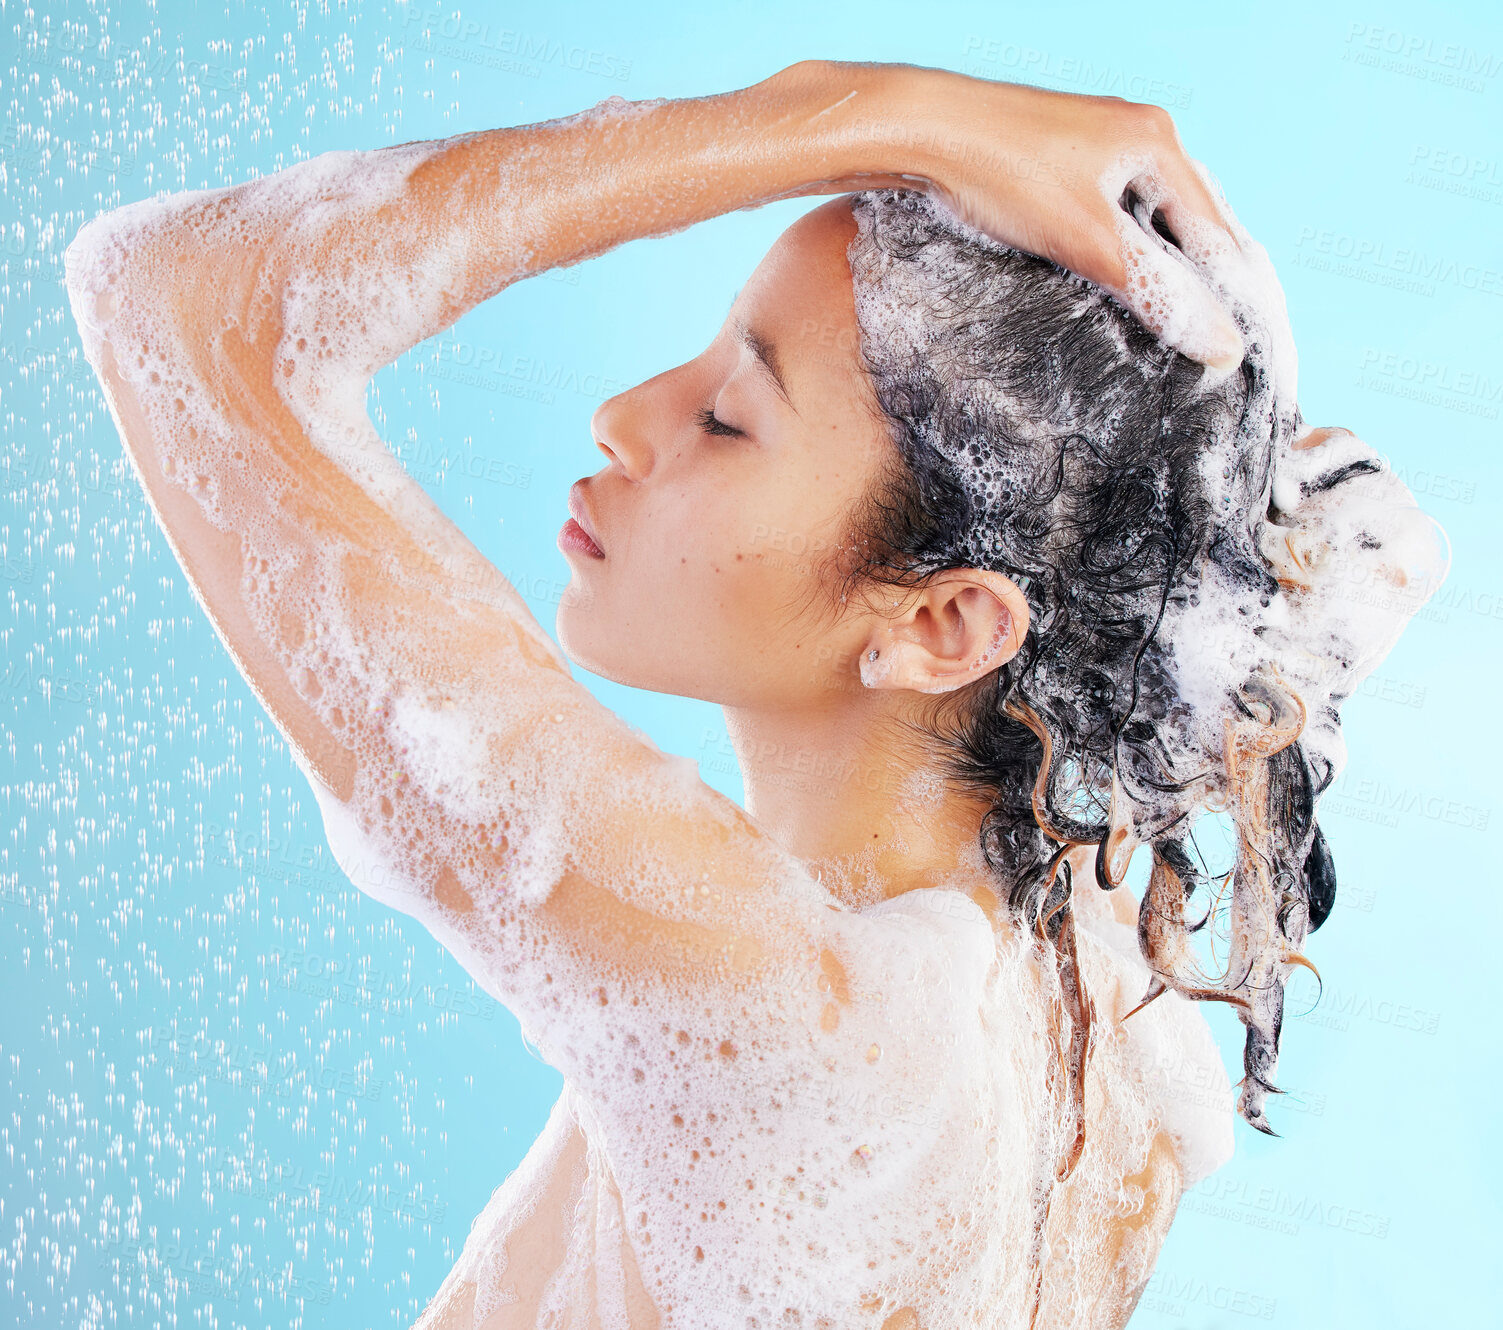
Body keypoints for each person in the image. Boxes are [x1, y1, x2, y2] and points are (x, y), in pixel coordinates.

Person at [62, 59, 1446, 1330]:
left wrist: (866, 110)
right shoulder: (1101, 1038)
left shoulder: (785, 1019)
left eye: (732, 413)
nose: (627, 415)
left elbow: (176, 300)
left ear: (951, 618)